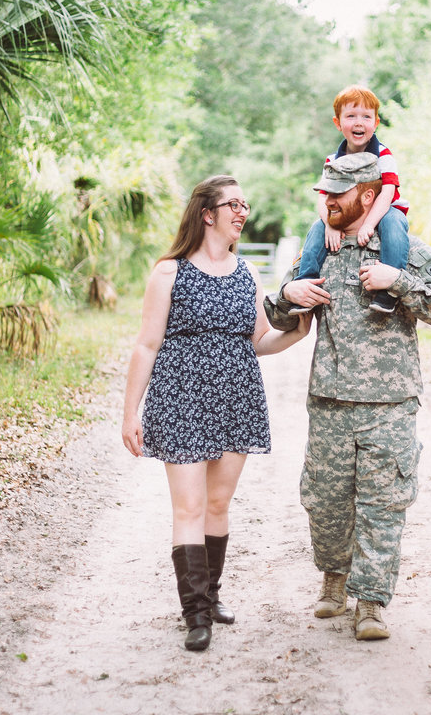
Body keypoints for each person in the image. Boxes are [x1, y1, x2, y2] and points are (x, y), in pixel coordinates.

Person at [265, 152, 431, 641]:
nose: (327, 201)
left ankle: (370, 604)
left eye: (337, 194)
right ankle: (334, 581)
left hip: (389, 404)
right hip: (329, 401)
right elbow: (282, 315)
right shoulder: (317, 249)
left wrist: (400, 282)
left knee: (382, 505)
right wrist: (291, 296)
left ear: (368, 195)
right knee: (326, 501)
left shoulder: (406, 248)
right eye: (324, 192)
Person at [122, 175, 310, 652]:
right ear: (209, 213)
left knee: (218, 505)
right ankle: (195, 614)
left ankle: (212, 595)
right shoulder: (169, 272)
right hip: (181, 399)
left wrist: (298, 332)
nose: (243, 212)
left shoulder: (247, 273)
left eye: (246, 204)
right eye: (235, 204)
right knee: (188, 506)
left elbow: (259, 341)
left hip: (235, 399)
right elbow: (146, 345)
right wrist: (130, 413)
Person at [291, 84, 409, 315]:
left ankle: (388, 289)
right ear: (338, 123)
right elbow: (322, 197)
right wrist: (331, 224)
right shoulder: (332, 160)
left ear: (375, 123)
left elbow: (387, 191)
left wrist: (368, 224)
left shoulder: (383, 154)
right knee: (317, 229)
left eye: (366, 117)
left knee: (394, 224)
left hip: (383, 209)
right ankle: (306, 282)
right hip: (346, 211)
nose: (359, 122)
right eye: (351, 116)